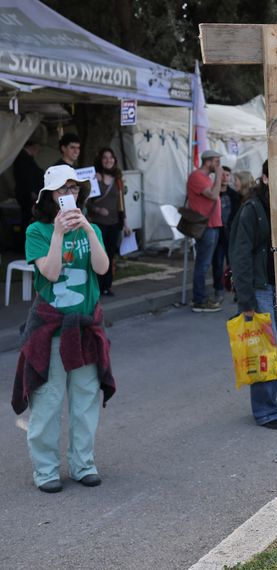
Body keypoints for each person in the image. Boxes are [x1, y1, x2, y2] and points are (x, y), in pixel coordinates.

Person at [12, 165, 115, 493]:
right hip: (51, 329)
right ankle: (45, 470)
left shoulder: (92, 229)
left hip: (85, 326)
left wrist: (86, 230)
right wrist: (58, 233)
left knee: (85, 399)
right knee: (48, 400)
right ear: (49, 197)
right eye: (61, 191)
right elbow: (52, 273)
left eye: (73, 189)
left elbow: (102, 268)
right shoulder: (36, 232)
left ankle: (83, 463)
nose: (68, 196)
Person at [228, 160, 277, 430]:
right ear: (265, 178)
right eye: (276, 176)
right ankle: (265, 411)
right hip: (261, 288)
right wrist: (246, 300)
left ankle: (271, 403)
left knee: (275, 348)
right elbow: (240, 256)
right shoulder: (253, 208)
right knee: (264, 349)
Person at [88, 148, 131, 297]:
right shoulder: (94, 177)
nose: (108, 160)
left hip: (114, 223)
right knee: (98, 255)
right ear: (101, 160)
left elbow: (121, 203)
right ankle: (96, 286)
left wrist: (125, 223)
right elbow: (87, 202)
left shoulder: (118, 179)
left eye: (111, 157)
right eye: (105, 157)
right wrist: (98, 210)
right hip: (99, 223)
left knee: (110, 255)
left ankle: (106, 286)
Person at [186, 149, 224, 312]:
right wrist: (220, 175)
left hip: (213, 225)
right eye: (216, 162)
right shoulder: (197, 177)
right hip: (205, 226)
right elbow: (214, 195)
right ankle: (199, 300)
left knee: (206, 262)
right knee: (203, 263)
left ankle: (201, 297)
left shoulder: (207, 178)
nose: (218, 165)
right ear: (207, 161)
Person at [211, 166, 239, 303]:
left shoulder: (234, 195)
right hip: (218, 234)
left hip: (231, 234)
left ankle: (235, 289)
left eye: (227, 175)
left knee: (233, 264)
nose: (225, 177)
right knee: (217, 263)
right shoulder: (214, 194)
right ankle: (218, 290)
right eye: (222, 175)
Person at [14, 135, 44, 227]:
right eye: (38, 147)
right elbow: (26, 176)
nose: (39, 150)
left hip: (29, 192)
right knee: (27, 216)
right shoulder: (23, 157)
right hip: (27, 194)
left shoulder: (26, 157)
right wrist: (32, 191)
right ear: (32, 146)